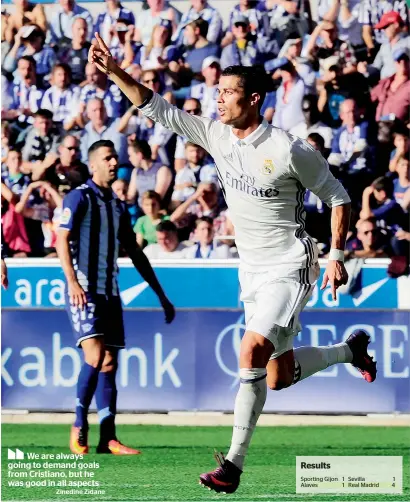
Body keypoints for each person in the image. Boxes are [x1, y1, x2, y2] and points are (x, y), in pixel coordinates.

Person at [89, 34, 378, 493]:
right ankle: (349, 350)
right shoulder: (216, 134)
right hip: (252, 271)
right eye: (217, 91)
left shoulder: (288, 148)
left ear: (254, 98)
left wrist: (337, 254)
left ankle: (233, 467)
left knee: (249, 352)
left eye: (227, 91)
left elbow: (339, 197)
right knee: (278, 377)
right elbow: (160, 109)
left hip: (290, 263)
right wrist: (116, 72)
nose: (217, 98)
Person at [56, 139, 175, 455]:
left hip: (110, 292)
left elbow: (135, 252)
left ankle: (107, 438)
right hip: (84, 290)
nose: (114, 163)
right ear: (93, 164)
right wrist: (72, 283)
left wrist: (160, 294)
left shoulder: (118, 206)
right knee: (95, 357)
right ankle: (79, 424)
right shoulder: (78, 198)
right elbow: (61, 238)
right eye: (108, 158)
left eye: (114, 158)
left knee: (109, 363)